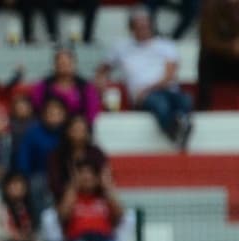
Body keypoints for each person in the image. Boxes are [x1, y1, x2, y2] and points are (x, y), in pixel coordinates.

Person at [100, 7, 194, 149]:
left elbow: (169, 75)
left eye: (145, 24)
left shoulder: (166, 45)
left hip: (163, 90)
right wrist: (100, 82)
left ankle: (175, 129)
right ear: (131, 28)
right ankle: (180, 128)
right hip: (144, 97)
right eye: (139, 25)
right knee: (160, 103)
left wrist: (147, 89)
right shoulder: (121, 47)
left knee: (185, 100)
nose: (143, 28)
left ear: (151, 25)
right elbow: (103, 69)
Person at [14, 95, 67, 205]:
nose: (54, 117)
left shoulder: (70, 131)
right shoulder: (32, 133)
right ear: (43, 115)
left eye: (58, 114)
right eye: (50, 113)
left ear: (64, 115)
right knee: (35, 185)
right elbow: (24, 159)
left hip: (65, 176)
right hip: (40, 175)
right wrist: (23, 178)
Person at [28, 48, 102, 125]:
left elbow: (91, 115)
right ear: (55, 65)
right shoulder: (42, 87)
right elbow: (36, 110)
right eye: (60, 63)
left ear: (74, 64)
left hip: (77, 132)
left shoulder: (86, 88)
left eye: (67, 63)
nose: (63, 66)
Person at [46, 113, 108, 202]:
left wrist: (89, 184)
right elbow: (55, 183)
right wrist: (73, 186)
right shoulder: (56, 155)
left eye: (82, 130)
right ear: (67, 131)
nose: (79, 133)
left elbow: (103, 177)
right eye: (75, 129)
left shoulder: (96, 153)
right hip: (64, 198)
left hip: (94, 196)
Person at [196, 0, 239, 110]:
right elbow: (207, 41)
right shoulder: (210, 7)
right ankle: (204, 105)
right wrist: (231, 47)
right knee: (205, 57)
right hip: (217, 64)